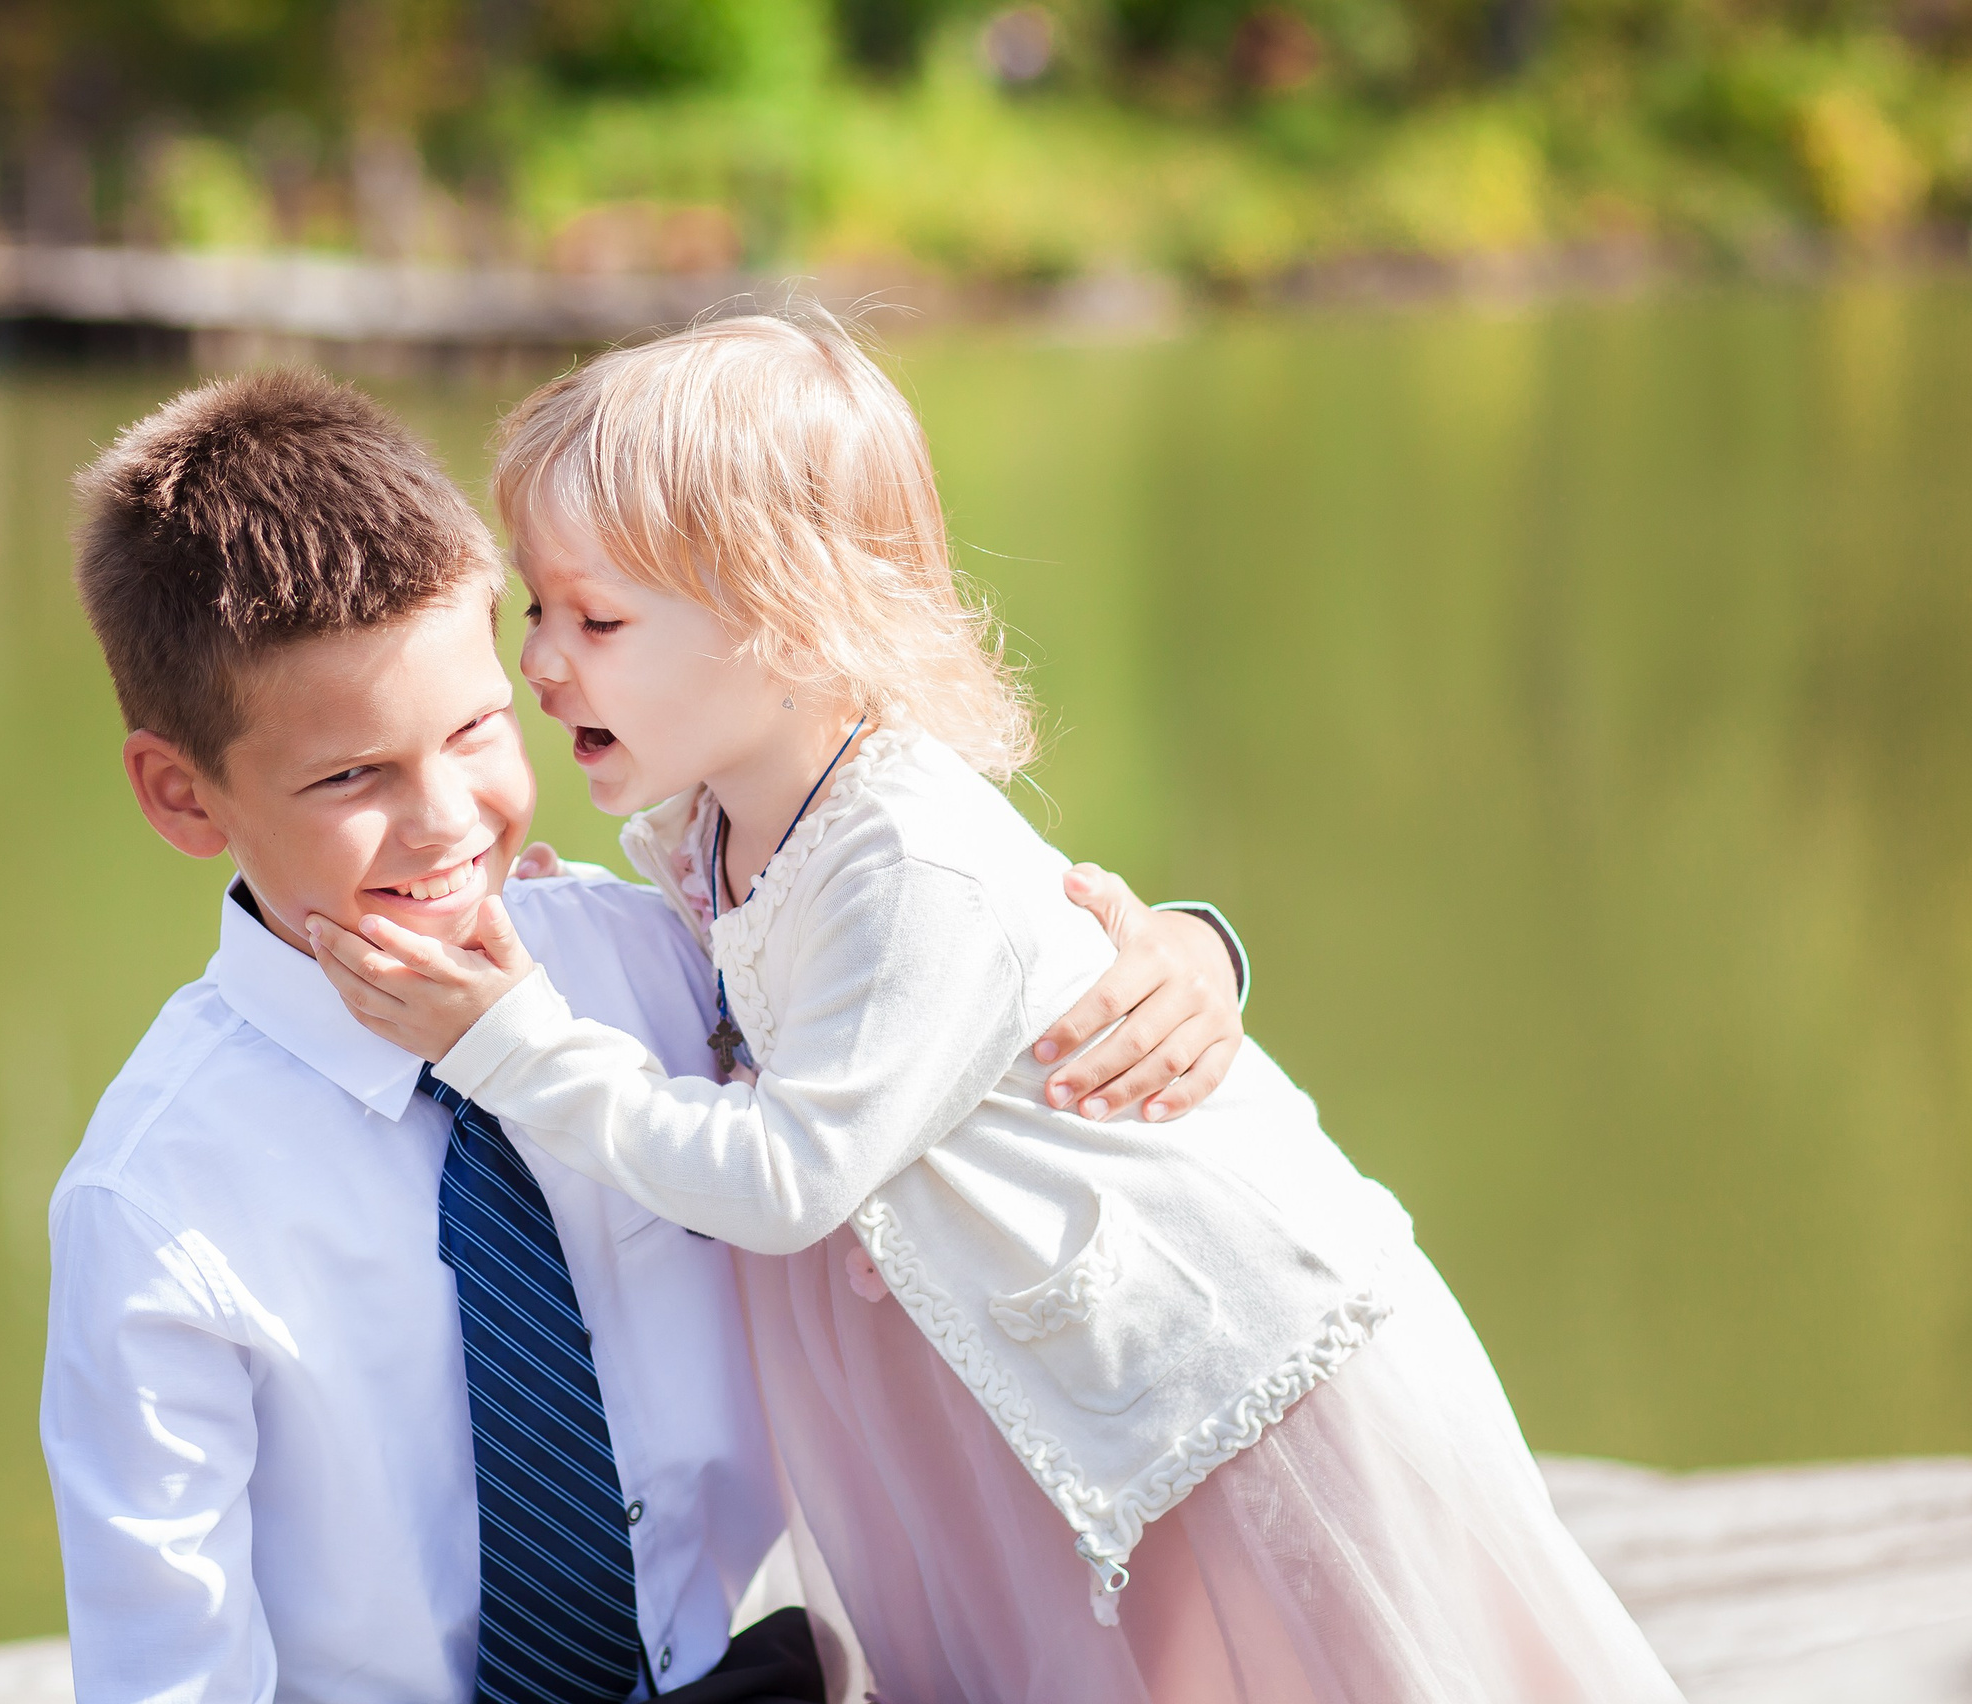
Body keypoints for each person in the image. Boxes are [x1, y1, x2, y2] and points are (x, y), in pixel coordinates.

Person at [310, 314, 1688, 1704]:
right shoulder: (713, 825)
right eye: (538, 613)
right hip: (1032, 1383)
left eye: (595, 619)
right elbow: (725, 986)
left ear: (787, 620)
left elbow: (788, 1172)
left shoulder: (912, 856)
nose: (541, 663)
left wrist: (507, 1043)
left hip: (1213, 1382)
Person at [40, 367, 1259, 1704]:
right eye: (351, 777)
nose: (448, 819)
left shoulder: (653, 962)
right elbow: (170, 1665)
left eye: (477, 731)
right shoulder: (157, 1200)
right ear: (179, 793)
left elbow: (938, 958)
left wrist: (1187, 948)